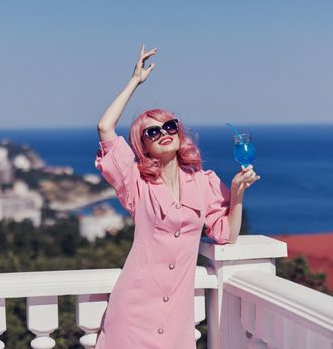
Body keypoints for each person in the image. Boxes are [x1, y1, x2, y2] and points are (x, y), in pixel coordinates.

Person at [94, 44, 260, 349]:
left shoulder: (204, 182)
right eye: (153, 132)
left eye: (169, 126)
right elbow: (105, 127)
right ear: (142, 146)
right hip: (133, 310)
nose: (164, 132)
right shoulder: (137, 184)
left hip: (177, 317)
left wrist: (236, 195)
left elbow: (226, 235)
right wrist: (135, 81)